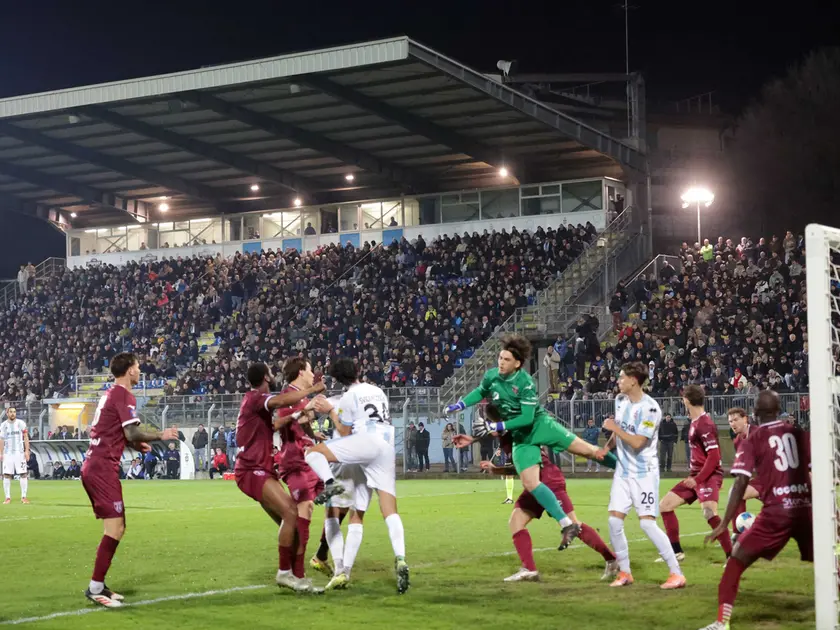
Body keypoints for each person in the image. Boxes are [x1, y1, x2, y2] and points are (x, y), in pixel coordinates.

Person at [443, 334, 617, 550]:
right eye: (500, 358)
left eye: (506, 360)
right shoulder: (492, 376)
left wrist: (497, 426)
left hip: (539, 425)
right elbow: (480, 391)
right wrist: (460, 405)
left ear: (517, 364)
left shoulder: (525, 382)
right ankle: (566, 524)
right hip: (521, 436)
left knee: (591, 452)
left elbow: (526, 418)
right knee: (530, 483)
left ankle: (625, 469)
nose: (501, 362)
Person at [460, 404, 617, 582]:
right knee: (516, 521)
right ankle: (529, 569)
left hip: (549, 481)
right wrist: (477, 444)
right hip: (534, 485)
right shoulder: (509, 435)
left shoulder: (516, 433)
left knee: (574, 525)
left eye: (490, 422)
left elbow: (518, 459)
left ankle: (612, 560)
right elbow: (521, 468)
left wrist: (485, 449)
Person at [698, 390, 812, 630]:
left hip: (776, 514)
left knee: (735, 562)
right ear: (779, 409)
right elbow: (813, 472)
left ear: (755, 413)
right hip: (805, 509)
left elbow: (740, 482)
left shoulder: (753, 439)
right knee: (828, 560)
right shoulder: (799, 434)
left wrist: (723, 522)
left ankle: (722, 622)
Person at [80, 352, 180, 608]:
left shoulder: (110, 393)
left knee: (119, 527)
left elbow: (119, 433)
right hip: (102, 468)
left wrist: (136, 445)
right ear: (130, 370)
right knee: (114, 528)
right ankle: (95, 587)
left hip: (97, 465)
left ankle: (99, 584)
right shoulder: (123, 394)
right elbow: (132, 431)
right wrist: (161, 435)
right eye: (137, 367)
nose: (140, 371)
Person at [305, 358, 409, 594]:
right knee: (383, 510)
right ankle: (401, 558)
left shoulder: (345, 398)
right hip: (385, 444)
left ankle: (342, 569)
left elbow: (345, 430)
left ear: (337, 379)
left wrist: (329, 411)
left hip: (359, 445)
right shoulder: (377, 391)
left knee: (313, 455)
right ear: (358, 371)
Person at [234, 361, 326, 593]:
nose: (274, 375)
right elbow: (279, 401)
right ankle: (285, 573)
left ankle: (296, 576)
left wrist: (296, 416)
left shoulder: (254, 403)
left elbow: (274, 424)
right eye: (270, 372)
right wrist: (312, 390)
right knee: (292, 512)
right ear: (266, 377)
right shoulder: (257, 397)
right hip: (251, 469)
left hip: (262, 469)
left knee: (292, 524)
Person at [598, 362, 685, 589]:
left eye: (622, 377)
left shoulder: (651, 409)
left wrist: (614, 428)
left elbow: (638, 442)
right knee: (614, 521)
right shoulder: (620, 400)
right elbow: (618, 432)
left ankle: (676, 573)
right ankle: (625, 572)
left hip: (644, 474)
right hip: (623, 473)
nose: (618, 381)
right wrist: (606, 449)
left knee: (647, 524)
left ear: (634, 380)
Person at [659, 384, 732, 562]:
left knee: (709, 513)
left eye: (683, 397)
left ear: (686, 400)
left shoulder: (704, 424)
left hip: (707, 475)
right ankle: (676, 552)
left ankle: (732, 557)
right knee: (665, 506)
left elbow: (714, 456)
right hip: (696, 476)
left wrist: (699, 479)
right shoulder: (695, 421)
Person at [274, 357, 325, 584]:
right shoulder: (288, 396)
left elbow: (303, 422)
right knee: (304, 509)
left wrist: (313, 435)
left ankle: (321, 553)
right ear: (301, 372)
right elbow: (284, 420)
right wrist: (308, 407)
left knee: (338, 501)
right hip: (294, 461)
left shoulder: (301, 397)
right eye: (310, 370)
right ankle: (296, 571)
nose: (313, 374)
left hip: (310, 458)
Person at [726, 407, 764, 537]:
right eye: (730, 421)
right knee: (735, 492)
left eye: (736, 420)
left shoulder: (758, 433)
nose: (733, 423)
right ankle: (737, 534)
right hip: (763, 479)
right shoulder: (738, 441)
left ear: (745, 419)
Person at [0, 407, 30, 504]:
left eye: (14, 412)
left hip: (19, 453)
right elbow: (1, 440)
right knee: (6, 475)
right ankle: (7, 498)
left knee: (23, 474)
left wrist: (27, 451)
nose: (13, 413)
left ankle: (24, 497)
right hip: (8, 453)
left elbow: (25, 437)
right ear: (7, 413)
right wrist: (1, 453)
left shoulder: (21, 423)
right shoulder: (3, 425)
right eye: (11, 412)